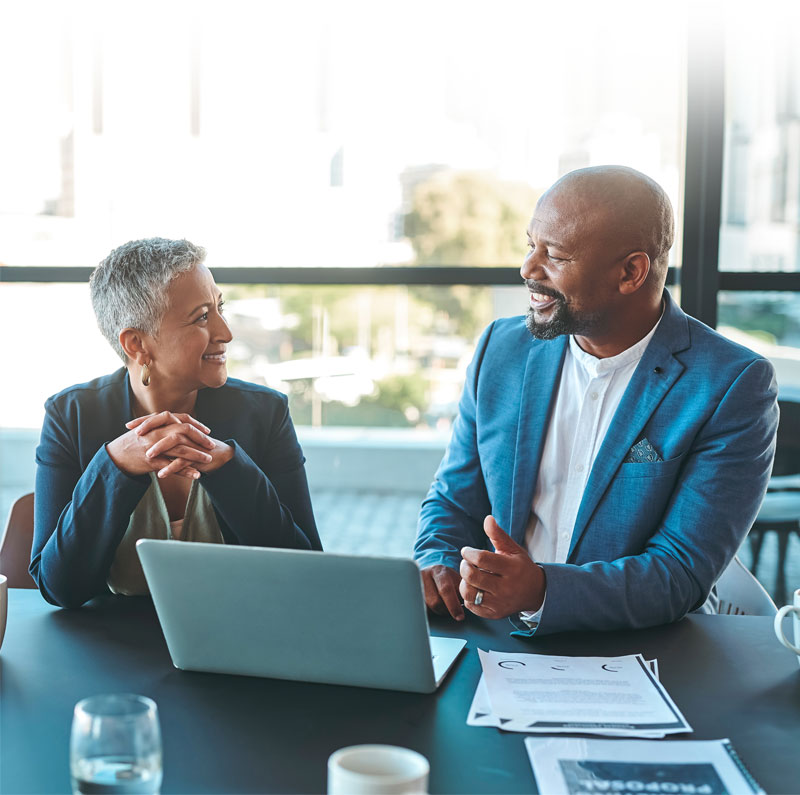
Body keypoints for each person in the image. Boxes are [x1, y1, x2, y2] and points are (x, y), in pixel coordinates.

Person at [414, 165, 778, 636]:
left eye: (556, 256)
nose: (528, 269)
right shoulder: (500, 350)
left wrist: (542, 591)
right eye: (531, 245)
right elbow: (453, 500)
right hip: (492, 636)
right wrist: (438, 562)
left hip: (642, 656)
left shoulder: (731, 385)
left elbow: (680, 572)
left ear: (631, 272)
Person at [31, 238, 321, 608]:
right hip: (113, 650)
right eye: (202, 316)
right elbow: (59, 588)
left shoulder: (265, 413)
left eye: (220, 308)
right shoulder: (70, 416)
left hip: (245, 636)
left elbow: (307, 569)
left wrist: (229, 467)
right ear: (136, 344)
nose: (225, 332)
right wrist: (113, 466)